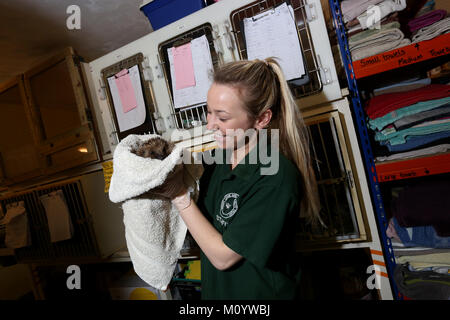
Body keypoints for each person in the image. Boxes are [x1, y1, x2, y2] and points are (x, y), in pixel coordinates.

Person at [165, 58, 320, 299]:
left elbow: (223, 257)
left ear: (261, 119)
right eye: (209, 113)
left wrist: (178, 196)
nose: (210, 125)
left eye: (222, 117)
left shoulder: (276, 176)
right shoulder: (217, 163)